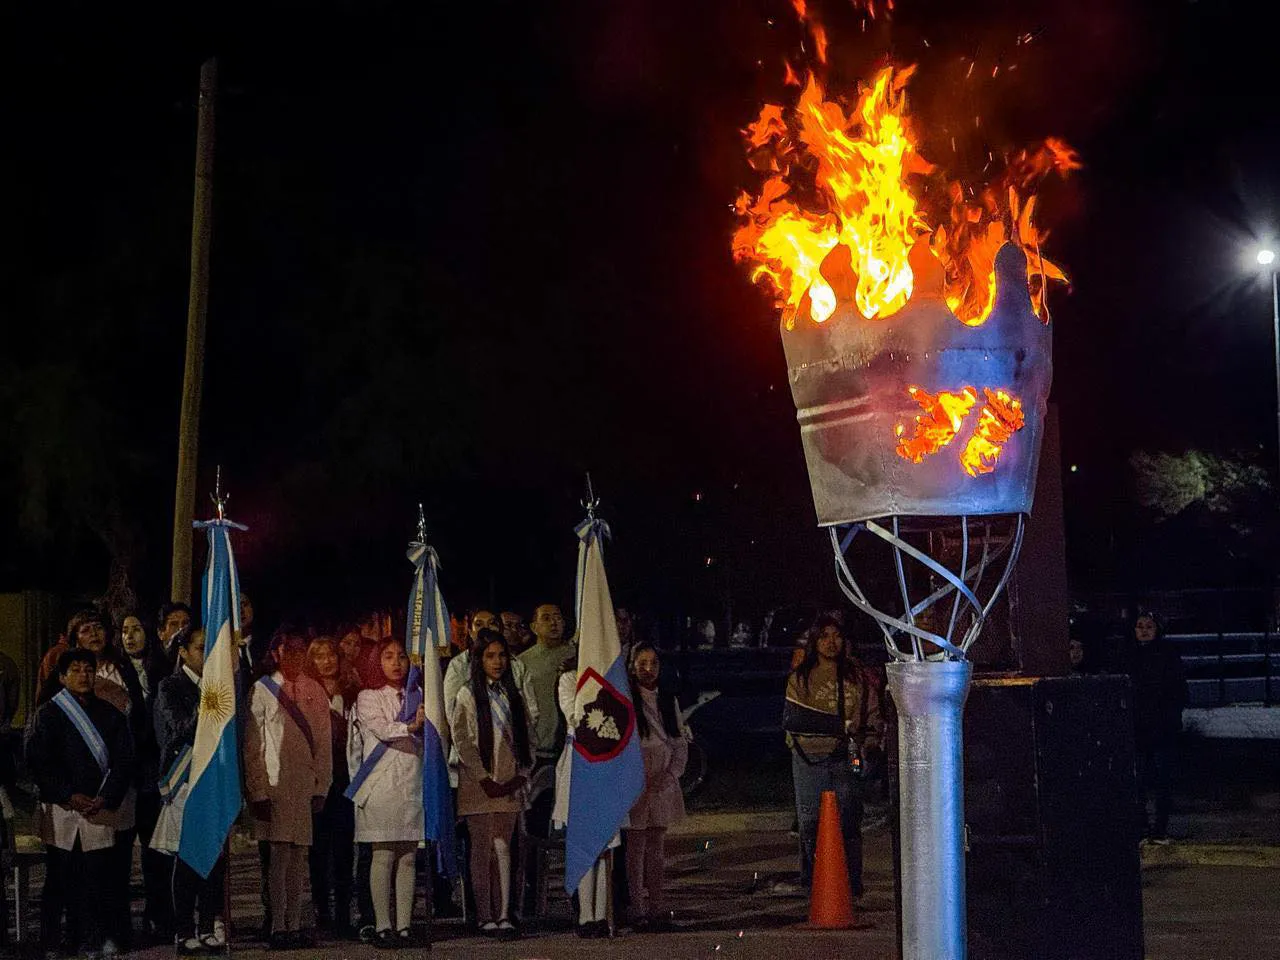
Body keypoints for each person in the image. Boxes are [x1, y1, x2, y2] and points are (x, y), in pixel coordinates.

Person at [26, 647, 135, 959]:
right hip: (63, 809)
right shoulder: (47, 715)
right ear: (62, 677)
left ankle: (95, 938)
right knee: (59, 877)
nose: (84, 675)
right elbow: (37, 763)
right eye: (75, 670)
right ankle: (51, 940)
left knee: (99, 877)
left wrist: (106, 796)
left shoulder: (110, 714)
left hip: (99, 808)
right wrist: (67, 794)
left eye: (88, 669)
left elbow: (124, 761)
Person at [781, 614, 883, 899]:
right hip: (809, 758)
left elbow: (871, 714)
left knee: (849, 818)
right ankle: (814, 881)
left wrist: (869, 745)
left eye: (836, 636)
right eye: (824, 636)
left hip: (846, 756)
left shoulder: (856, 676)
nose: (831, 642)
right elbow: (794, 719)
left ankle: (851, 882)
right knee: (811, 821)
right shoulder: (801, 676)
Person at [245, 633, 333, 950]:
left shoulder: (314, 690)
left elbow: (323, 744)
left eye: (299, 651)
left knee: (299, 858)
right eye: (288, 651)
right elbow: (253, 745)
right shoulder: (263, 689)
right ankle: (277, 925)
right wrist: (257, 792)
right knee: (278, 858)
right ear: (276, 653)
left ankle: (295, 924)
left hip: (302, 785)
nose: (294, 657)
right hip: (274, 785)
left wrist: (322, 786)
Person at [66, 609, 146, 951]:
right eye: (86, 630)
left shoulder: (121, 667)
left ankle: (119, 930)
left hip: (120, 778)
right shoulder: (67, 673)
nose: (94, 634)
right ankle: (86, 932)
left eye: (98, 628)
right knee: (85, 866)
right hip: (82, 786)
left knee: (118, 860)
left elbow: (137, 715)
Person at [452, 630, 534, 939]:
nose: (497, 662)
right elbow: (461, 739)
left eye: (501, 655)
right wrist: (484, 777)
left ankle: (504, 914)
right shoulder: (467, 694)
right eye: (490, 656)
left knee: (504, 846)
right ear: (478, 660)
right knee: (481, 848)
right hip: (479, 782)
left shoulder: (514, 695)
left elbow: (528, 737)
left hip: (509, 780)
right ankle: (484, 914)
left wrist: (521, 775)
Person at [152, 628, 228, 956]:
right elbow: (179, 728)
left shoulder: (221, 686)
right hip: (184, 778)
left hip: (214, 778)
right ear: (183, 651)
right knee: (186, 860)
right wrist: (207, 702)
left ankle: (209, 925)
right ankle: (183, 929)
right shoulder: (170, 686)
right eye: (200, 648)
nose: (205, 653)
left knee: (212, 859)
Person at [351, 639, 426, 948]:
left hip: (411, 781)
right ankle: (382, 924)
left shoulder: (420, 695)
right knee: (382, 854)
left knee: (408, 856)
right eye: (388, 656)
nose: (397, 663)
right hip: (379, 782)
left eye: (402, 657)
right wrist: (412, 726)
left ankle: (405, 925)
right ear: (376, 661)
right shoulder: (368, 697)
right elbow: (382, 728)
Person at [118, 611, 174, 943]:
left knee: (156, 854)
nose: (130, 636)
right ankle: (123, 925)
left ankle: (160, 919)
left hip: (154, 773)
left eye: (136, 629)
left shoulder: (160, 669)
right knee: (122, 855)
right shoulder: (113, 670)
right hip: (125, 775)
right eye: (124, 631)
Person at [552, 656, 616, 938]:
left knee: (604, 845)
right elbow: (575, 715)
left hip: (606, 763)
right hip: (580, 761)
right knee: (585, 843)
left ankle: (601, 914)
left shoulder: (613, 679)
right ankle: (585, 915)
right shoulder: (568, 679)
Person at [624, 644, 687, 930]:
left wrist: (669, 775)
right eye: (642, 663)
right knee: (635, 847)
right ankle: (637, 908)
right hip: (636, 782)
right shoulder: (626, 700)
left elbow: (678, 741)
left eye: (654, 663)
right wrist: (637, 778)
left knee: (656, 846)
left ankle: (658, 906)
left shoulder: (667, 699)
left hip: (661, 782)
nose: (648, 669)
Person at [306, 636, 357, 938]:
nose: (326, 662)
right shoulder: (306, 693)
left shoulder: (351, 693)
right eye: (319, 656)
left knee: (343, 850)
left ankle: (343, 914)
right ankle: (321, 910)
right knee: (318, 851)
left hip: (345, 780)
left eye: (331, 655)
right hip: (316, 782)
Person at [1120, 612, 1187, 842]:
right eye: (1140, 626)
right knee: (1137, 780)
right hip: (1138, 728)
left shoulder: (1167, 654)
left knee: (1161, 780)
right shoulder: (1129, 655)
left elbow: (1178, 689)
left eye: (1149, 626)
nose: (1144, 630)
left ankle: (1160, 828)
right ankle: (1141, 826)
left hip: (1161, 727)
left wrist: (1171, 717)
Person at [157, 602, 194, 668]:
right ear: (160, 633)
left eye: (185, 623)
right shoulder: (154, 663)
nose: (181, 628)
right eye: (174, 624)